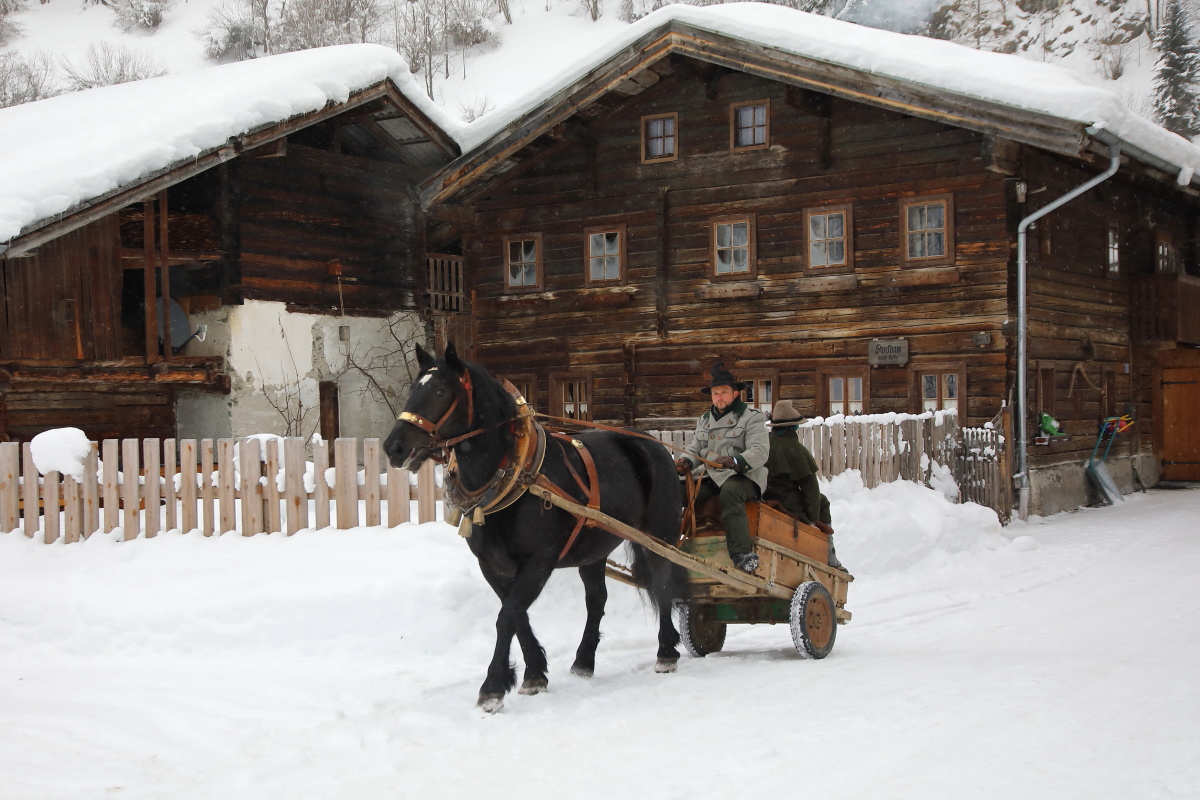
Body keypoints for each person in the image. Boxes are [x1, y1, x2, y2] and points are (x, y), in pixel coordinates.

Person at [674, 362, 770, 574]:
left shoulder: (752, 418)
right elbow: (696, 448)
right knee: (676, 492)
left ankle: (741, 555)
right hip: (711, 476)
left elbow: (760, 451)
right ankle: (666, 548)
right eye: (715, 393)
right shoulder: (705, 419)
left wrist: (736, 461)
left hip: (745, 476)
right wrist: (687, 462)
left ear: (735, 393)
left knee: (730, 492)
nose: (719, 397)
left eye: (723, 392)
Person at [762, 399, 845, 571]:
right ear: (794, 427)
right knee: (822, 501)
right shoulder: (796, 450)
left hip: (763, 498)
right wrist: (812, 518)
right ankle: (830, 557)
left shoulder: (763, 446)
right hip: (789, 504)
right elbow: (811, 489)